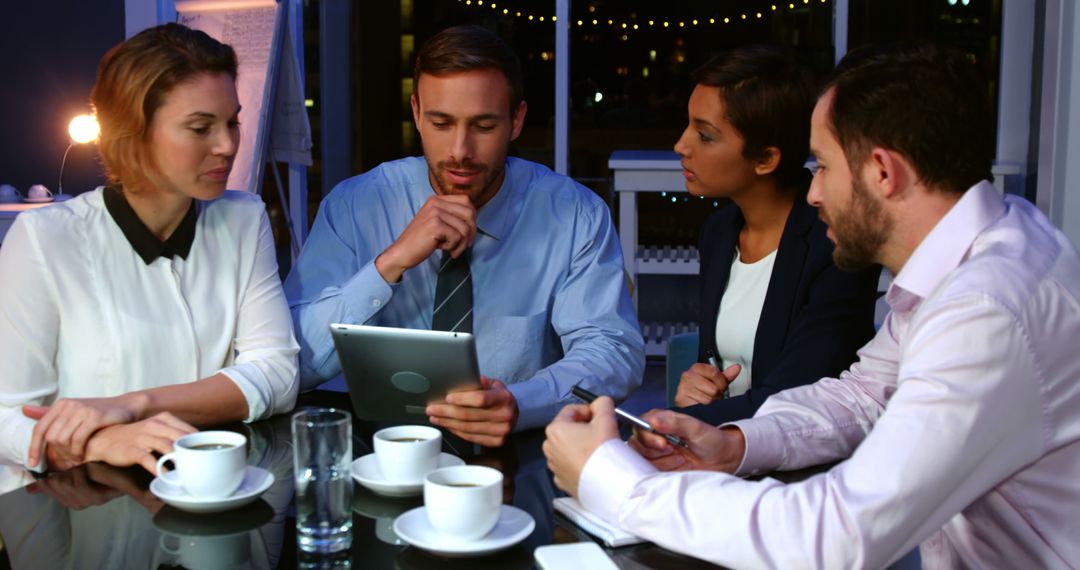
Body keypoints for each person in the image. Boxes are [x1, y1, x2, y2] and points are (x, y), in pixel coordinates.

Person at [544, 41, 1080, 568]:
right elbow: (862, 397)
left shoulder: (984, 310)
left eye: (822, 167)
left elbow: (835, 537)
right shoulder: (988, 243)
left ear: (882, 172)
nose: (814, 193)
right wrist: (733, 444)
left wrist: (613, 480)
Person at [284, 25, 643, 447]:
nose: (460, 150)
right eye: (441, 122)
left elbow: (613, 351)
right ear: (417, 113)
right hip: (379, 456)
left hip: (516, 456)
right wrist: (389, 264)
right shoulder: (354, 206)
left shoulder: (574, 214)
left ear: (517, 121)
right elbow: (294, 364)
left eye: (484, 126)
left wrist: (521, 399)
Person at [0, 23, 299, 487]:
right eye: (201, 127)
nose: (227, 146)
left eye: (232, 122)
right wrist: (101, 442)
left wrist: (135, 404)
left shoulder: (244, 218)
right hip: (87, 513)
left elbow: (278, 373)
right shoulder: (44, 238)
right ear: (133, 133)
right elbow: (6, 418)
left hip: (215, 496)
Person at [672, 46, 879, 424]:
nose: (681, 146)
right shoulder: (718, 232)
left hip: (805, 466)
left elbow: (797, 399)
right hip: (726, 456)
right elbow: (718, 365)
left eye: (704, 135)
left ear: (766, 158)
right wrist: (698, 386)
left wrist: (680, 423)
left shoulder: (835, 245)